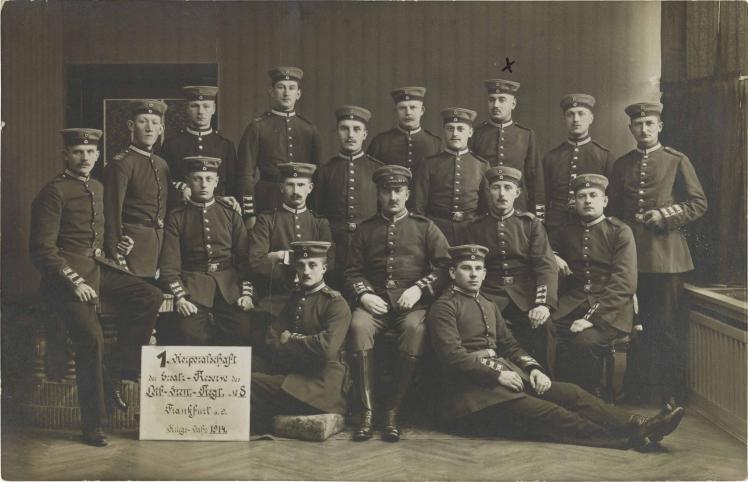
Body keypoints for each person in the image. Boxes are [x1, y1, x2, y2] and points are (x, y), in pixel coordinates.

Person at [427, 244, 685, 450]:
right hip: (469, 399)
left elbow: (509, 346)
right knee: (550, 413)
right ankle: (628, 438)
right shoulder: (444, 307)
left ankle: (639, 423)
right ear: (452, 273)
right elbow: (453, 357)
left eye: (478, 268)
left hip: (503, 381)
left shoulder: (487, 304)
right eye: (466, 268)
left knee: (572, 393)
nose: (473, 274)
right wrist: (498, 374)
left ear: (484, 273)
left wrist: (535, 369)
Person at [30, 128, 162, 447]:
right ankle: (93, 425)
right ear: (66, 155)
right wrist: (74, 282)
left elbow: (98, 241)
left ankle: (118, 371)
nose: (85, 157)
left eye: (90, 153)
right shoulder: (53, 192)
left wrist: (120, 248)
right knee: (91, 339)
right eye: (78, 152)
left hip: (100, 268)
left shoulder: (99, 188)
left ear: (98, 155)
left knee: (150, 295)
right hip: (64, 278)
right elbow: (42, 250)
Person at [608, 102, 707, 407]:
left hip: (666, 259)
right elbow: (613, 211)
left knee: (664, 328)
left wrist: (665, 216)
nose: (644, 129)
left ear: (660, 126)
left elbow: (698, 203)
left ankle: (669, 392)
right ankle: (636, 389)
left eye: (650, 123)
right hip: (631, 258)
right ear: (631, 129)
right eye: (638, 124)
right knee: (633, 326)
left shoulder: (676, 160)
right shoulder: (622, 164)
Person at [345, 165, 451, 442]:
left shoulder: (425, 227)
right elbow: (352, 270)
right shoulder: (365, 230)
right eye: (386, 191)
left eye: (398, 191)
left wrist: (419, 289)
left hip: (412, 304)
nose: (392, 197)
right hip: (374, 303)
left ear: (407, 193)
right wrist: (365, 295)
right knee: (357, 326)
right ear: (378, 194)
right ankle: (367, 413)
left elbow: (445, 266)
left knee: (416, 330)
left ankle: (392, 411)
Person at [463, 166, 558, 371]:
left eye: (508, 187)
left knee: (544, 326)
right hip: (489, 294)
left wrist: (542, 304)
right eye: (496, 187)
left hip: (525, 295)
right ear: (489, 192)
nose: (502, 193)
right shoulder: (475, 227)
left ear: (517, 192)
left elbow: (546, 265)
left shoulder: (530, 225)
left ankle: (546, 383)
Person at [251, 241, 351, 435]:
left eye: (312, 265)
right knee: (248, 368)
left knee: (249, 382)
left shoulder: (336, 304)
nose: (306, 271)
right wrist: (297, 343)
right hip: (298, 377)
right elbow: (271, 337)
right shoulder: (297, 298)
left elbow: (326, 348)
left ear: (324, 268)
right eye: (301, 265)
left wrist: (290, 339)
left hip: (320, 387)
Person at [158, 156, 260, 345]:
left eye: (208, 179)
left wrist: (246, 293)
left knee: (242, 328)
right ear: (188, 181)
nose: (203, 184)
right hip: (194, 286)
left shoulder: (230, 213)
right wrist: (180, 298)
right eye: (197, 179)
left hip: (229, 286)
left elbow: (245, 260)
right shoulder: (177, 217)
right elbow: (169, 266)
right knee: (188, 331)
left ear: (216, 182)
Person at [550, 174, 637, 393]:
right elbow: (541, 247)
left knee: (584, 342)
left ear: (605, 201)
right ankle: (559, 397)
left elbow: (624, 282)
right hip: (573, 302)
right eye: (581, 196)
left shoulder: (619, 231)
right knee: (546, 333)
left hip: (611, 309)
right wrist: (553, 256)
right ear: (574, 202)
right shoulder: (566, 231)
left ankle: (589, 398)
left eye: (593, 195)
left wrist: (592, 319)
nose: (587, 200)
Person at [237, 66, 322, 226]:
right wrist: (250, 214)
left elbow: (318, 175)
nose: (286, 93)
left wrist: (314, 211)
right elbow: (245, 175)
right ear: (271, 92)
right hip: (266, 198)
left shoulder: (309, 129)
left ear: (298, 94)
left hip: (302, 201)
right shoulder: (258, 127)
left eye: (291, 88)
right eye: (281, 87)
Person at [248, 162, 333, 316]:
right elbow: (256, 262)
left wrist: (282, 256)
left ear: (310, 188)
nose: (296, 191)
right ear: (281, 188)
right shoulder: (266, 220)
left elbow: (330, 262)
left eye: (301, 185)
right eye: (290, 185)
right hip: (276, 296)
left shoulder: (320, 223)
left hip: (313, 297)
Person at [313, 105, 383, 288]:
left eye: (356, 129)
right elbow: (316, 215)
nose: (350, 135)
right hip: (334, 245)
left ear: (365, 134)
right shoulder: (325, 171)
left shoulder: (377, 170)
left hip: (369, 246)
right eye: (344, 128)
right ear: (337, 132)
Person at [104, 99, 171, 278]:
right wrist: (116, 254)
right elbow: (112, 212)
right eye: (143, 122)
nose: (149, 128)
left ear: (161, 129)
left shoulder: (162, 164)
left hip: (160, 244)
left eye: (155, 123)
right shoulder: (122, 163)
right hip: (132, 247)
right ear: (131, 125)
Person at [412, 107, 489, 244]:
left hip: (471, 232)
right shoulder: (429, 164)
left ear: (470, 132)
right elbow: (418, 206)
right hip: (436, 231)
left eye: (460, 129)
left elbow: (486, 208)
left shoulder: (481, 165)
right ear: (444, 132)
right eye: (450, 128)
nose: (455, 133)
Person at [470, 79, 543, 217]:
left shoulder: (526, 135)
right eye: (492, 100)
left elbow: (535, 179)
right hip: (484, 208)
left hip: (518, 208)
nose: (496, 105)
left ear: (513, 104)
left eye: (502, 100)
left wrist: (537, 215)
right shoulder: (476, 134)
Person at [541, 94, 613, 234]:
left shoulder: (604, 156)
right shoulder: (551, 157)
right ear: (564, 119)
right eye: (570, 115)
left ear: (591, 118)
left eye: (581, 114)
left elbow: (611, 200)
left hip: (591, 230)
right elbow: (543, 196)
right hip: (556, 227)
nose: (576, 119)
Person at [159, 85, 239, 206]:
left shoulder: (225, 146)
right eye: (195, 106)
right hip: (181, 210)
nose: (201, 111)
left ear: (214, 109)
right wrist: (180, 187)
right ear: (187, 109)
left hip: (216, 211)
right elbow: (162, 182)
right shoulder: (172, 144)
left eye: (206, 106)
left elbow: (232, 186)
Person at [366, 86, 441, 173]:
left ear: (422, 111)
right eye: (402, 108)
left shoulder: (435, 143)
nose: (408, 112)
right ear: (395, 111)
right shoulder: (380, 142)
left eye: (413, 107)